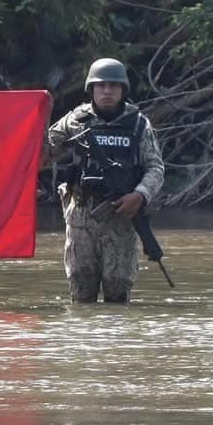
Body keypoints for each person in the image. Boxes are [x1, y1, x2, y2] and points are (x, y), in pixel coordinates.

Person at [45, 57, 166, 302]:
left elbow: (155, 168)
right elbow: (45, 150)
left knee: (118, 291)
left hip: (121, 216)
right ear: (91, 89)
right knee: (81, 289)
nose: (107, 91)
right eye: (101, 86)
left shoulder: (138, 124)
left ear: (123, 90)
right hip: (81, 216)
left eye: (113, 86)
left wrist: (140, 195)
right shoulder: (75, 120)